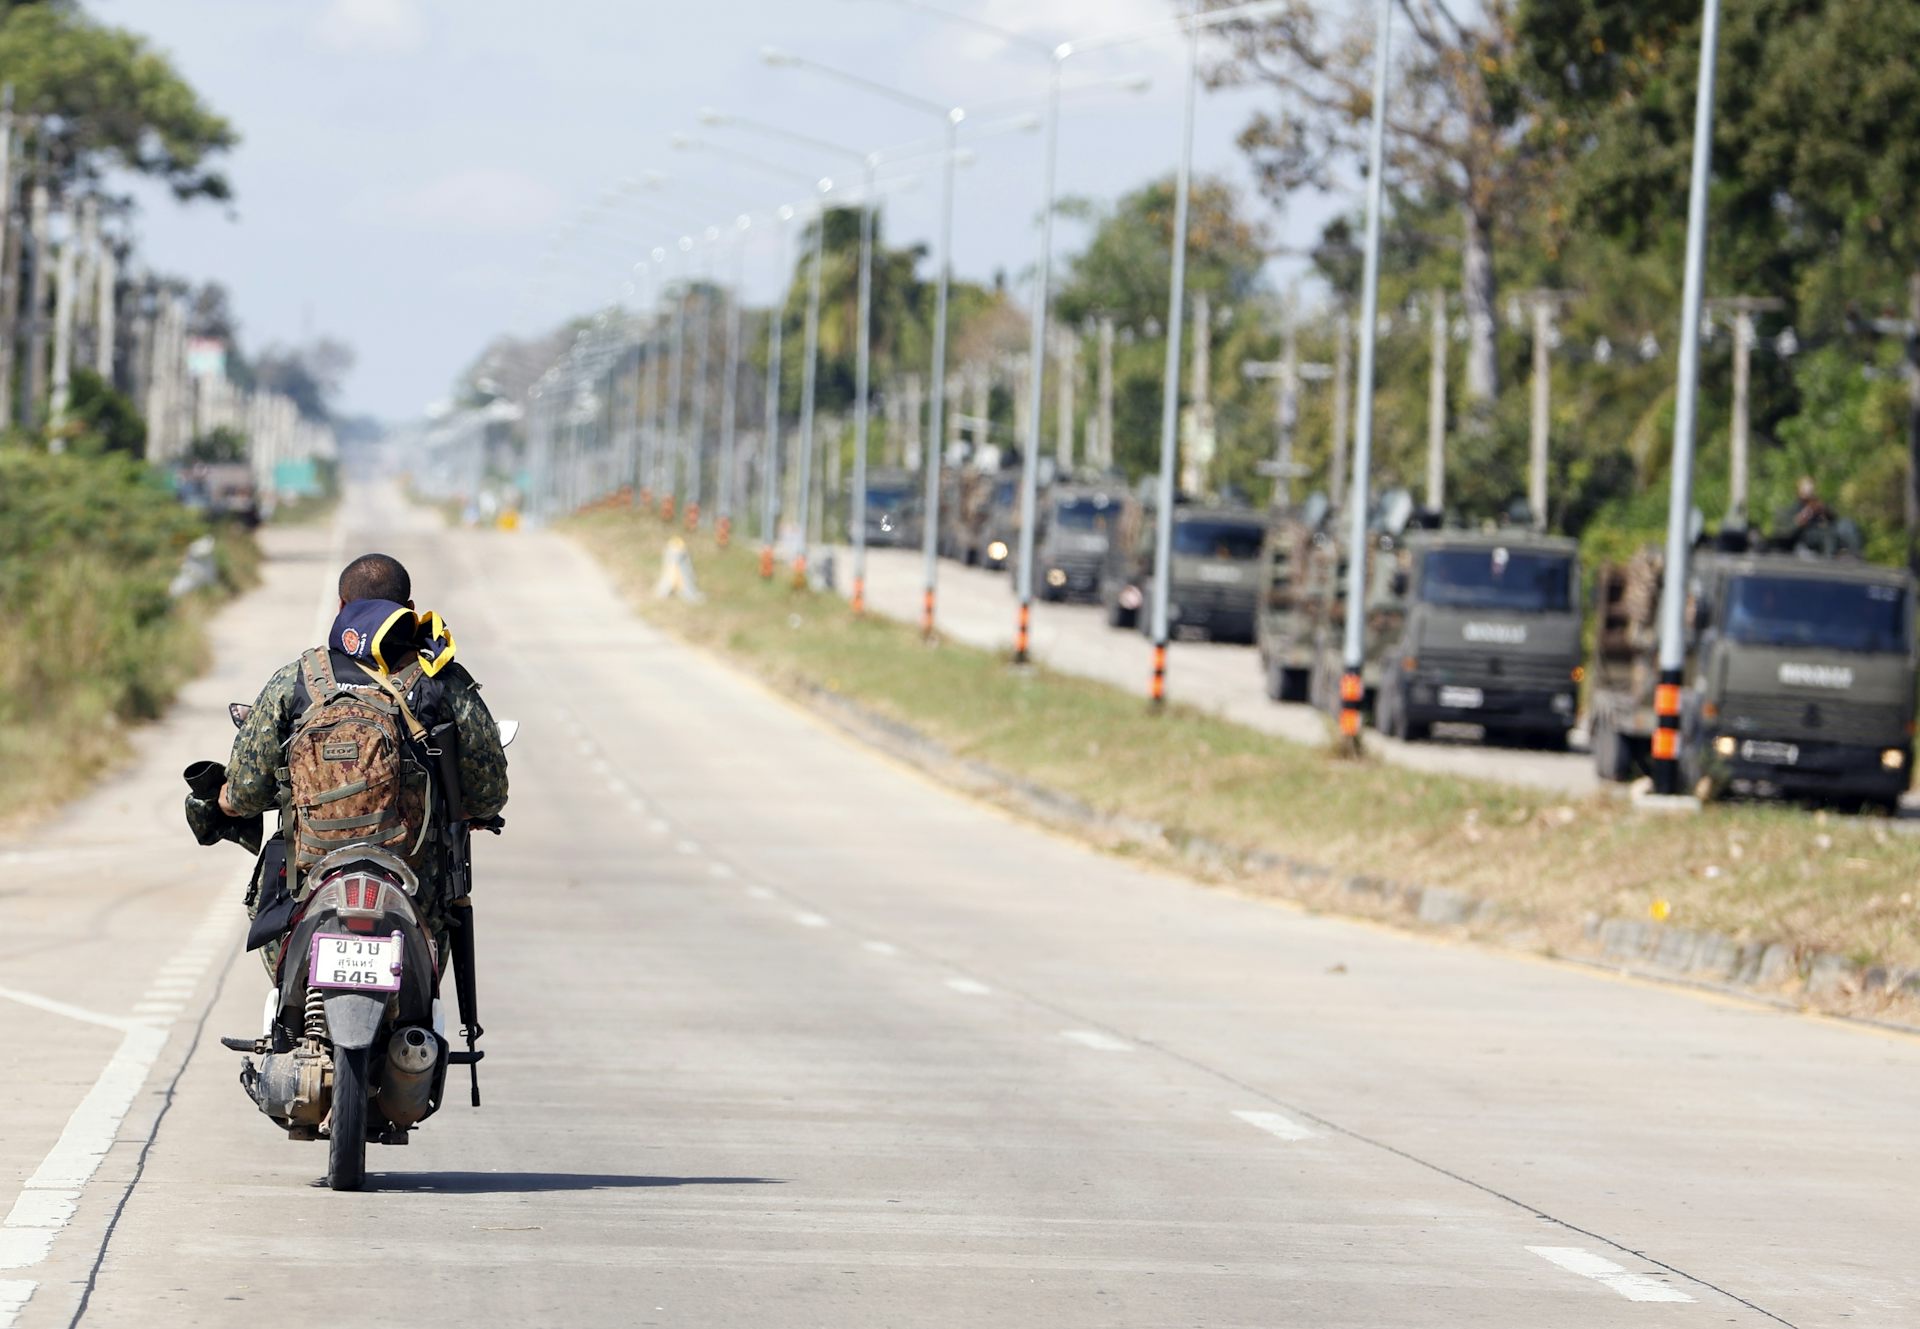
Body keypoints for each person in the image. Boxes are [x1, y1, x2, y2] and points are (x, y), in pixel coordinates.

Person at [218, 552, 508, 959]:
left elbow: (248, 789)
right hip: (413, 886)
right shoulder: (440, 681)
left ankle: (289, 1018)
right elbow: (488, 792)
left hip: (310, 882)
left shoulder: (297, 679)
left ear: (341, 607)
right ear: (408, 611)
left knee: (276, 922)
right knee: (437, 924)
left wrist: (224, 801)